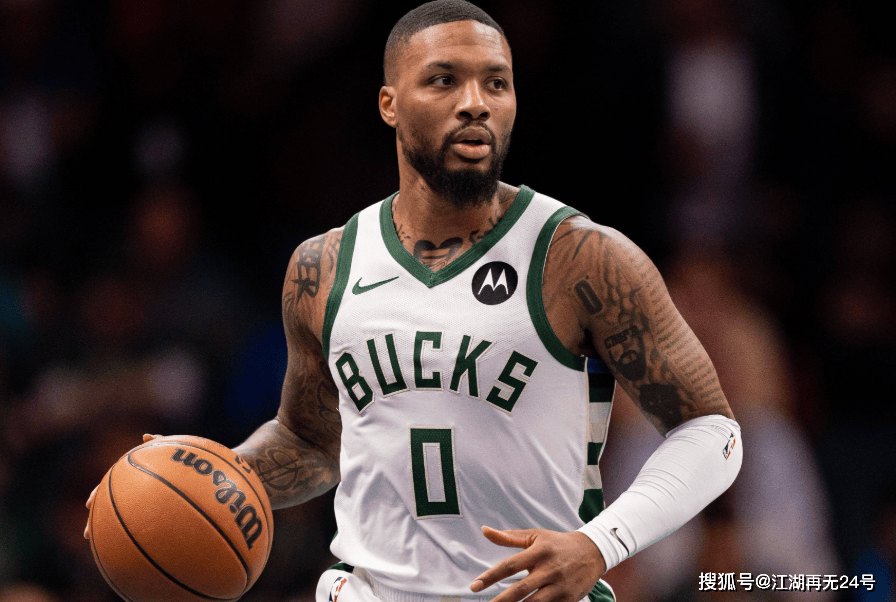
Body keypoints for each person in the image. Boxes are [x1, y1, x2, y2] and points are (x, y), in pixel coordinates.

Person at [85, 2, 743, 601]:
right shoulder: (323, 266)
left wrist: (601, 543)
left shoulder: (580, 257)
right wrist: (198, 476)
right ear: (389, 104)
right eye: (444, 80)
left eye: (496, 83)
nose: (475, 103)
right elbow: (313, 441)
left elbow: (712, 433)